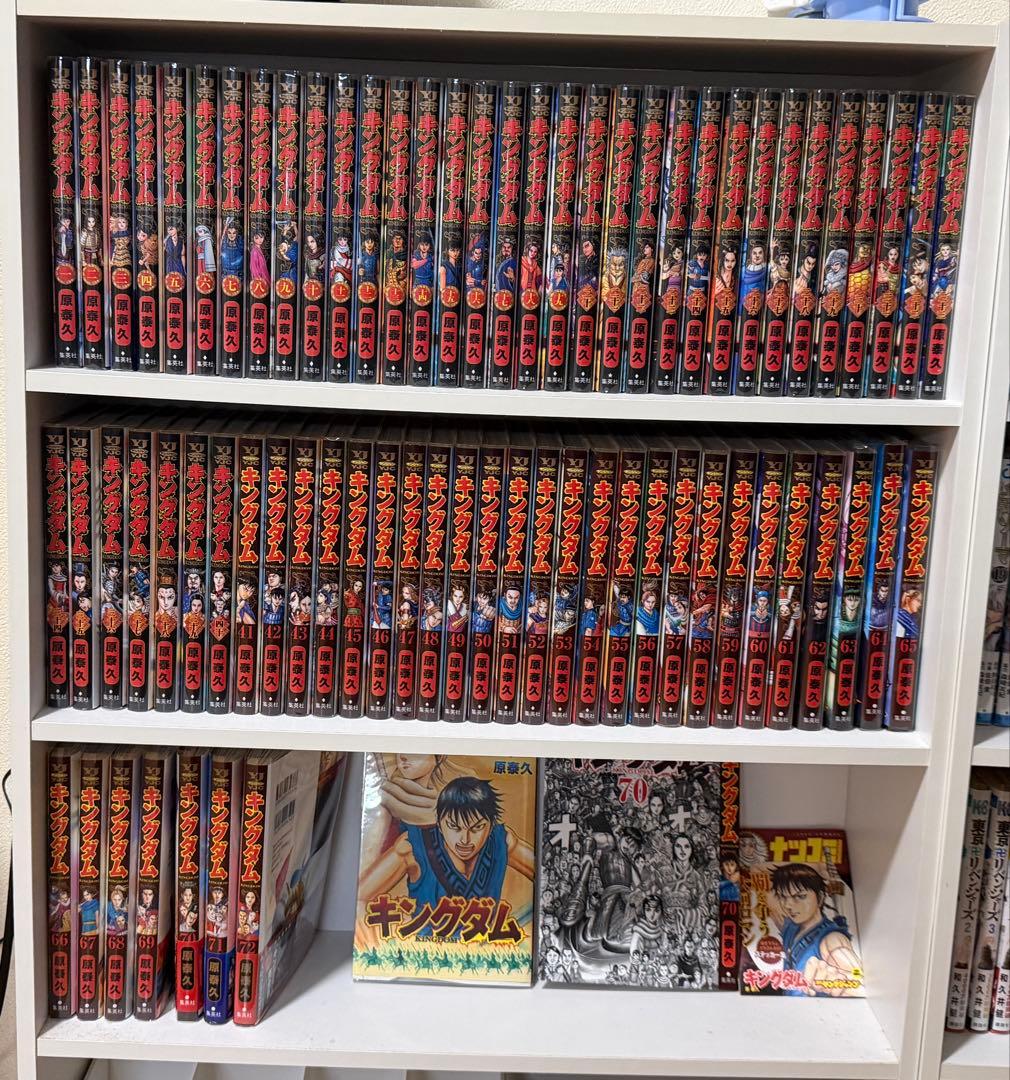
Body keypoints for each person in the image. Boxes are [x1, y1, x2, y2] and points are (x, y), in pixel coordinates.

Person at [358, 777, 534, 928]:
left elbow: (544, 873)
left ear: (491, 826)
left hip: (483, 949)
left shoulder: (501, 842)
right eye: (454, 827)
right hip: (424, 951)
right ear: (440, 823)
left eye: (477, 828)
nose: (465, 839)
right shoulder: (412, 846)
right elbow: (359, 898)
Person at [765, 861, 862, 997]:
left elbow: (859, 981)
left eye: (800, 896)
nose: (788, 905)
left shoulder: (831, 940)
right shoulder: (790, 927)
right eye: (783, 897)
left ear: (820, 898)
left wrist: (840, 983)